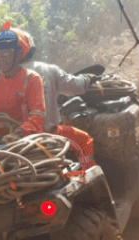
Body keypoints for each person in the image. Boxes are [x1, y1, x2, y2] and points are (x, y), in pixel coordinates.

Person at [19, 29, 97, 169]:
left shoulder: (1, 79)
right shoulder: (47, 69)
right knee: (85, 141)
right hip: (47, 135)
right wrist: (87, 78)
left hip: (16, 139)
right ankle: (89, 178)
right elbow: (76, 87)